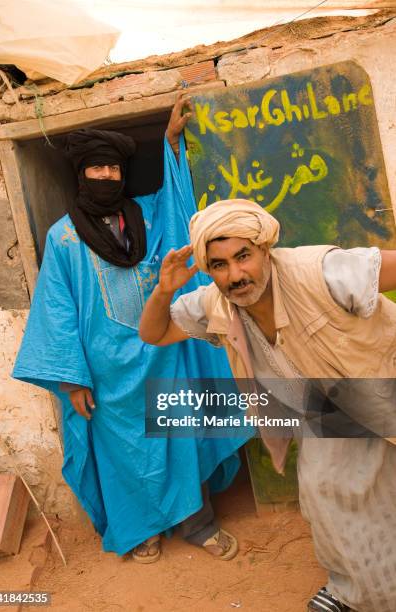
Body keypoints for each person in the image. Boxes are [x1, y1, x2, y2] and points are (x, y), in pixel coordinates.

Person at [13, 96, 249, 563]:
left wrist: (171, 143)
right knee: (127, 455)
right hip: (105, 372)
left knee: (181, 438)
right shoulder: (63, 237)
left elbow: (179, 207)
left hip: (162, 350)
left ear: (122, 173)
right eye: (95, 169)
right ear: (81, 175)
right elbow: (56, 310)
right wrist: (69, 377)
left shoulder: (143, 215)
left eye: (112, 169)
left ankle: (198, 525)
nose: (105, 177)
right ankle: (142, 531)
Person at [139, 198, 396, 610]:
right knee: (324, 494)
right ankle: (355, 589)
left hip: (382, 386)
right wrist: (164, 289)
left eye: (243, 256)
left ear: (265, 250)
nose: (235, 275)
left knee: (353, 492)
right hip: (328, 410)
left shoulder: (320, 271)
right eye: (220, 264)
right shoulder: (215, 304)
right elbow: (154, 332)